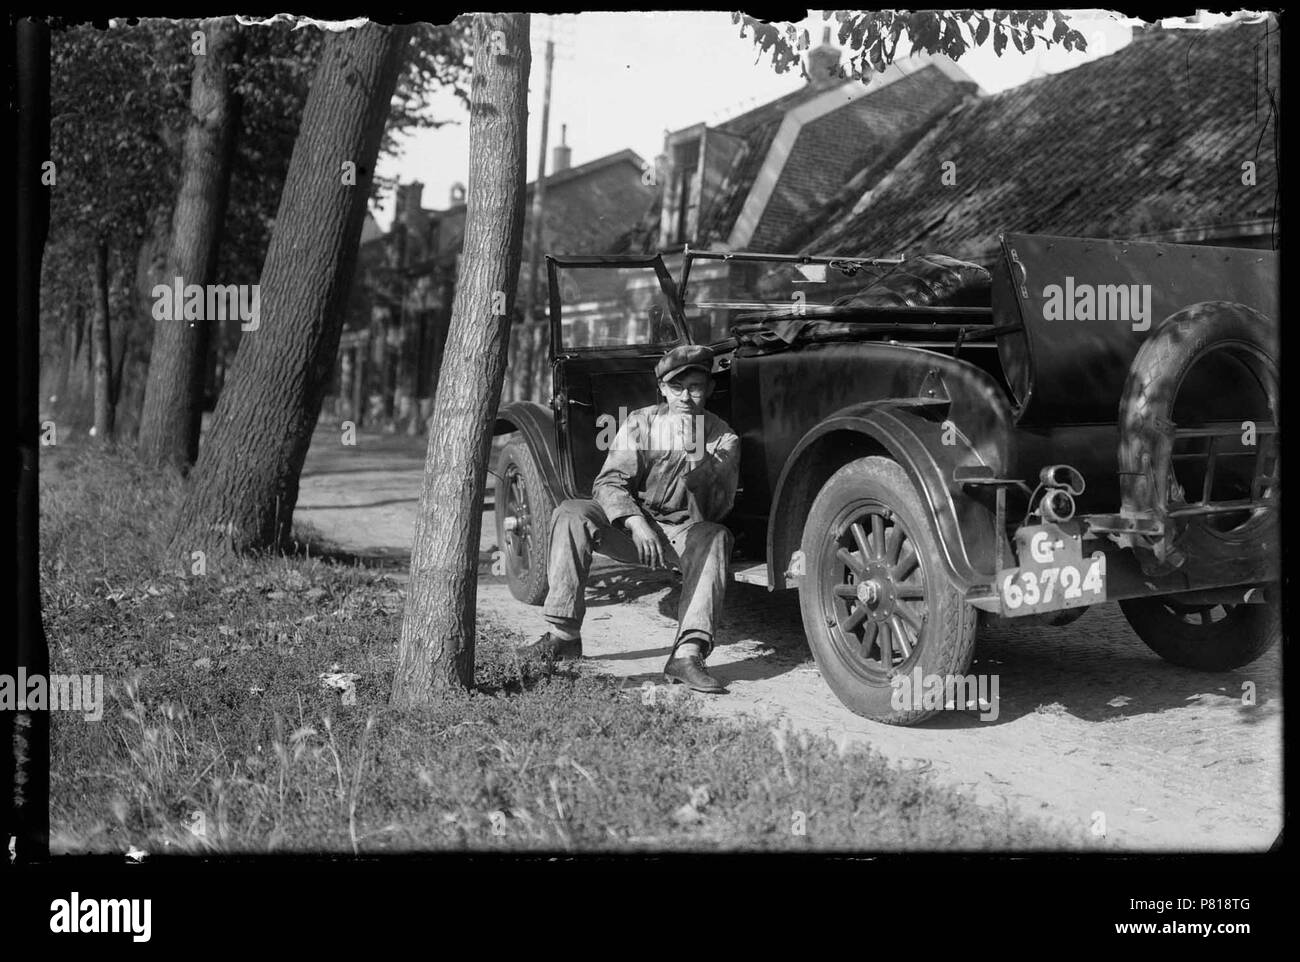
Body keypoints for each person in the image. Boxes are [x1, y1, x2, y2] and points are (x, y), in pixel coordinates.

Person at [518, 344, 741, 693]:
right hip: (634, 528)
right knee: (572, 513)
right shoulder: (641, 422)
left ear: (709, 390)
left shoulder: (723, 438)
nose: (686, 397)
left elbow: (713, 511)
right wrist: (635, 522)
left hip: (683, 534)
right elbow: (608, 482)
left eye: (695, 387)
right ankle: (564, 636)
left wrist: (697, 457)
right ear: (663, 389)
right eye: (677, 387)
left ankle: (687, 654)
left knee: (716, 536)